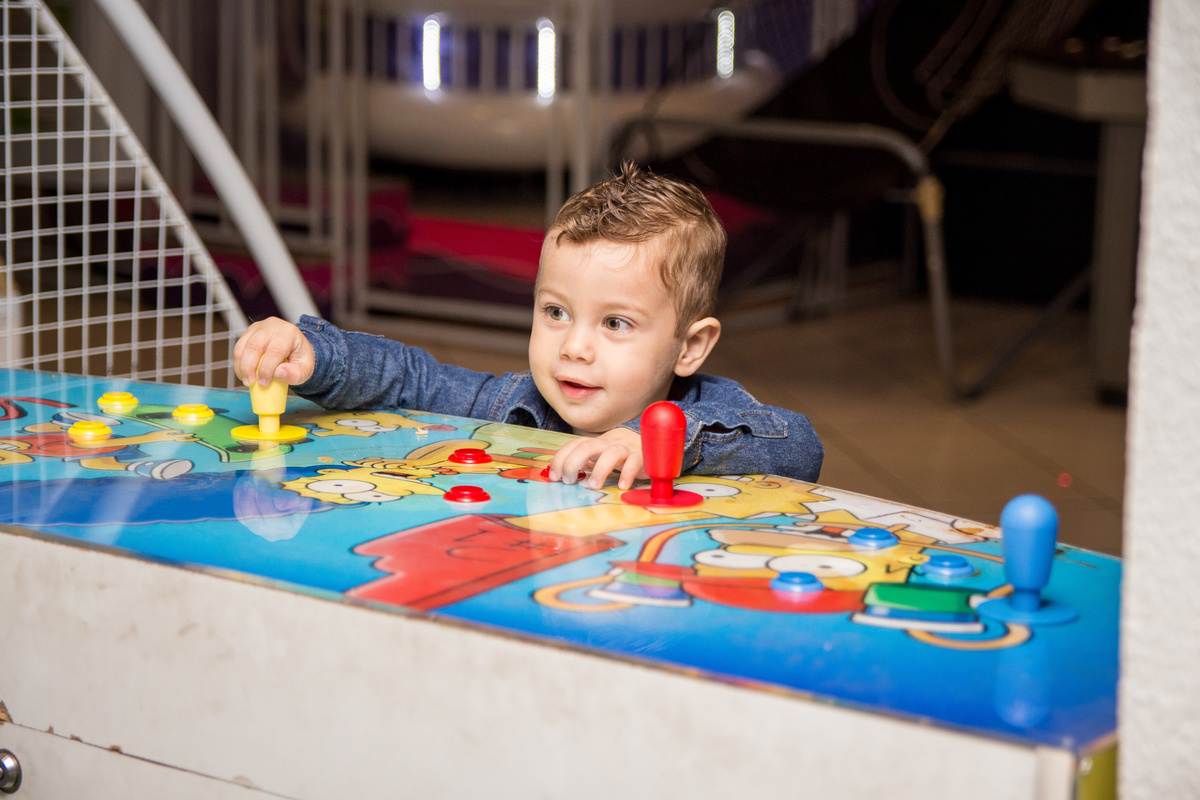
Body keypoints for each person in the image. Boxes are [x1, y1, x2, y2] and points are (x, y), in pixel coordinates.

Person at [234, 163, 823, 489]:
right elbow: (412, 381)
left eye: (616, 322)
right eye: (556, 312)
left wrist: (656, 442)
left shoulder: (713, 411)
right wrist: (318, 355)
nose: (575, 347)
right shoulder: (513, 405)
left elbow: (800, 447)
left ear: (690, 347)